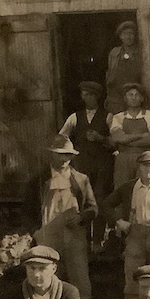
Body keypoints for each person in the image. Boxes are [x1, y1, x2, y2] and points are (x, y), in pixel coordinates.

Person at [32, 135, 97, 299]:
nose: (64, 159)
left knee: (81, 284)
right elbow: (27, 212)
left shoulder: (81, 180)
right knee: (48, 283)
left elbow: (93, 208)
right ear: (52, 155)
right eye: (60, 155)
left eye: (68, 155)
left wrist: (82, 217)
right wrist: (35, 233)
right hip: (48, 238)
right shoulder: (39, 181)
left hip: (74, 238)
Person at [101, 151, 150, 299]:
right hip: (135, 234)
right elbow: (106, 205)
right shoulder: (129, 187)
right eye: (145, 165)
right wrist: (118, 221)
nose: (149, 169)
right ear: (139, 167)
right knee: (132, 277)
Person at [58, 81, 113, 245]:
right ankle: (83, 239)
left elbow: (115, 141)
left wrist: (101, 138)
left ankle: (97, 239)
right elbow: (62, 137)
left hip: (103, 164)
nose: (86, 98)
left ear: (97, 96)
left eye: (89, 95)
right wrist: (69, 151)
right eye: (84, 95)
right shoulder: (75, 117)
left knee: (100, 199)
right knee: (82, 200)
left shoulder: (108, 117)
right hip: (82, 164)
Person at [109, 83, 150, 188]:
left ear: (141, 98)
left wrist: (126, 139)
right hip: (123, 160)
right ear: (125, 98)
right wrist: (142, 135)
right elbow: (117, 138)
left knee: (144, 189)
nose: (133, 97)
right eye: (130, 95)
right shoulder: (118, 117)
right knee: (123, 189)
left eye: (137, 95)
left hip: (144, 158)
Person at [105, 20, 143, 114]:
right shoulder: (114, 52)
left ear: (134, 36)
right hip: (116, 97)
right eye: (125, 34)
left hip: (134, 94)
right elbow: (110, 72)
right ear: (121, 36)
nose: (128, 37)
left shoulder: (140, 52)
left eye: (131, 33)